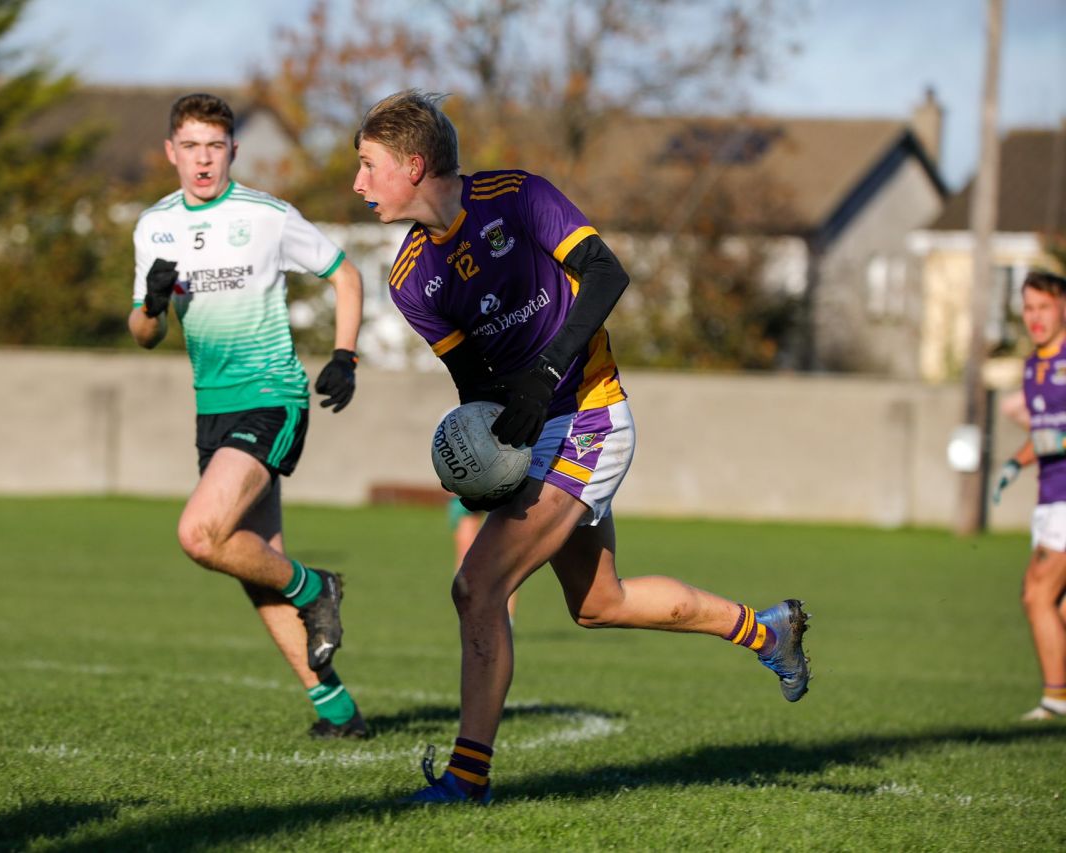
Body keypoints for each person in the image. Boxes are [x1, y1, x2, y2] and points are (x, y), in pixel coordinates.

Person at [352, 90, 811, 803]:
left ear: (413, 166)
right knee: (600, 603)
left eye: (367, 165)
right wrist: (480, 464)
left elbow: (607, 273)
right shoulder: (412, 280)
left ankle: (466, 779)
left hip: (592, 415)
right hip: (538, 434)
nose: (358, 183)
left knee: (477, 586)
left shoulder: (519, 196)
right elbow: (473, 384)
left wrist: (543, 374)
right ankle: (767, 631)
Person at [130, 93, 367, 738]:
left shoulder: (266, 216)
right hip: (211, 411)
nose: (203, 160)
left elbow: (346, 275)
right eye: (191, 147)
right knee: (252, 562)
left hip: (271, 399)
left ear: (232, 151)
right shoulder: (154, 227)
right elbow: (143, 333)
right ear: (171, 153)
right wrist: (150, 306)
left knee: (200, 535)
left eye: (215, 147)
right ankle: (339, 713)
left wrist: (345, 355)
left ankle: (316, 588)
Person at [990, 268, 1066, 722]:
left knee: (1036, 594)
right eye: (1029, 308)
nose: (1035, 317)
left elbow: (1055, 436)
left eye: (1044, 307)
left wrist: (1051, 444)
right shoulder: (1034, 364)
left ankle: (1056, 701)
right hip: (1049, 495)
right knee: (1055, 604)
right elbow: (1044, 433)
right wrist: (1017, 462)